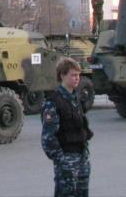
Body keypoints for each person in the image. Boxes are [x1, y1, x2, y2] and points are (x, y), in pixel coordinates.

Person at [42, 58, 93, 197]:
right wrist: (61, 161)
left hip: (82, 155)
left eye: (78, 75)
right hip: (66, 157)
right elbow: (48, 138)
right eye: (73, 75)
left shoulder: (77, 99)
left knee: (82, 192)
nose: (77, 78)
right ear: (62, 75)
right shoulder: (54, 102)